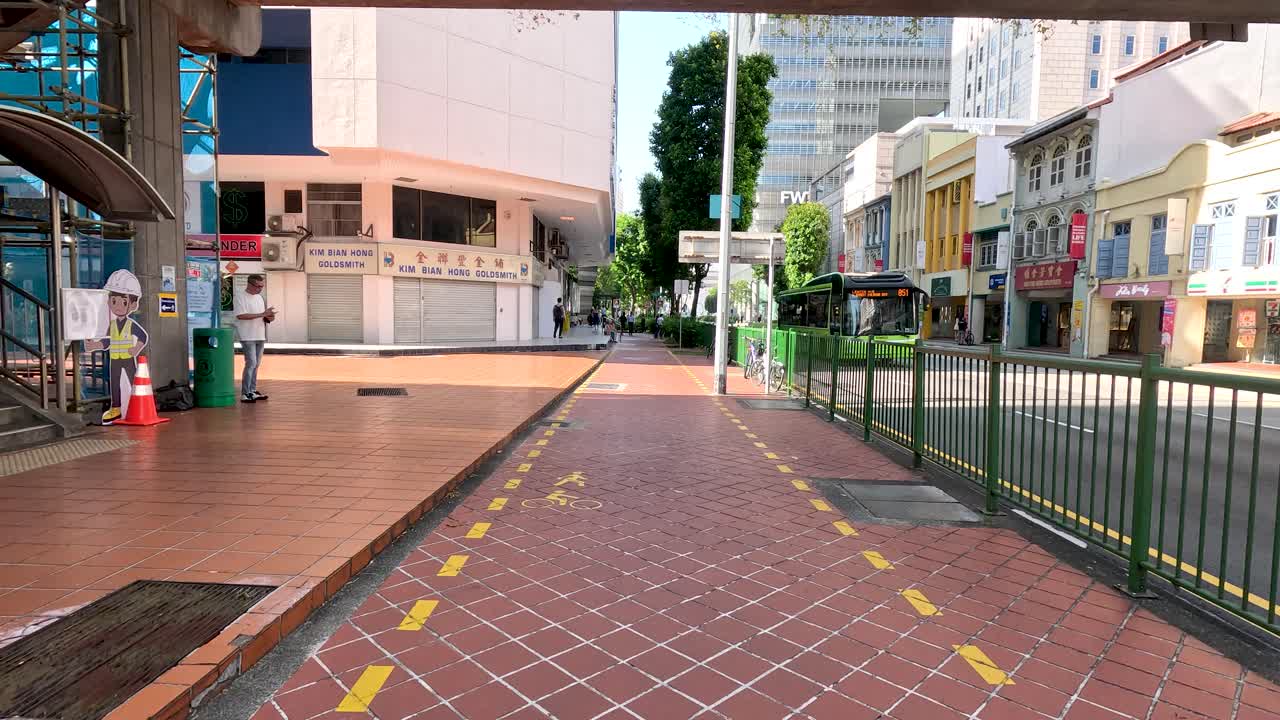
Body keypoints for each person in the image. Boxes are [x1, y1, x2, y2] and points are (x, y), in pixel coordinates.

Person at [84, 269, 148, 424]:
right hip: (115, 359)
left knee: (134, 381)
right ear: (108, 301)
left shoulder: (131, 324)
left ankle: (135, 405)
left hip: (127, 358)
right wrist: (95, 345)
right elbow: (107, 341)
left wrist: (136, 349)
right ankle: (116, 408)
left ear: (133, 305)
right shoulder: (111, 325)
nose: (118, 306)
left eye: (123, 302)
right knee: (115, 384)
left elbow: (143, 337)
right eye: (114, 301)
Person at [234, 274, 275, 403]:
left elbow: (262, 317)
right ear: (250, 284)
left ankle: (252, 390)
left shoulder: (259, 298)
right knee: (251, 363)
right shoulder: (240, 297)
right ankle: (245, 393)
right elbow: (241, 316)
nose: (260, 289)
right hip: (247, 336)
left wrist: (269, 317)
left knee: (256, 364)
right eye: (258, 286)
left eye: (262, 286)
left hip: (260, 335)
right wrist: (262, 314)